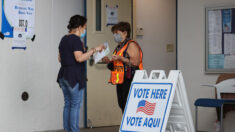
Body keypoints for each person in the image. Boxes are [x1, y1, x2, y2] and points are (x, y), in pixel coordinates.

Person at [57, 15, 104, 132]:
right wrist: (94, 50)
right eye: (85, 27)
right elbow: (79, 58)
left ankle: (68, 130)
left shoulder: (64, 38)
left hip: (63, 75)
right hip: (74, 77)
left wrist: (87, 54)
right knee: (75, 106)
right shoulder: (76, 40)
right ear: (79, 27)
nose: (85, 30)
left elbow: (59, 58)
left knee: (68, 104)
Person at [102, 22, 143, 113]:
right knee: (122, 104)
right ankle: (125, 125)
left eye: (117, 33)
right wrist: (108, 61)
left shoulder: (131, 45)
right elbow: (117, 64)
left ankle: (129, 126)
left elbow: (135, 62)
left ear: (125, 33)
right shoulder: (119, 46)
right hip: (121, 80)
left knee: (129, 105)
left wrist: (121, 58)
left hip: (130, 79)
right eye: (114, 34)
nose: (115, 36)